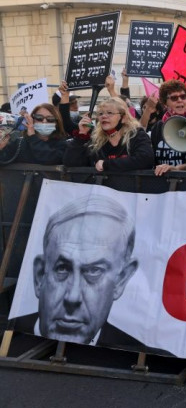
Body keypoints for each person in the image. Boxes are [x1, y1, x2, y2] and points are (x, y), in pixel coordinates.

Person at [9, 196, 154, 351]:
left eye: (93, 271)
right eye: (62, 268)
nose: (73, 297)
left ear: (121, 280)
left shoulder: (134, 353)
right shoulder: (10, 336)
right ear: (39, 276)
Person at [63, 97, 154, 172]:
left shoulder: (137, 135)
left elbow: (145, 159)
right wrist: (81, 135)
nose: (104, 116)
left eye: (110, 113)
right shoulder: (96, 140)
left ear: (123, 118)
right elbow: (71, 163)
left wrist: (106, 165)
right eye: (100, 113)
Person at [2, 103, 68, 165]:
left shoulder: (63, 145)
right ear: (32, 119)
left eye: (50, 119)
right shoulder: (19, 143)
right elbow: (3, 161)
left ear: (56, 123)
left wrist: (32, 137)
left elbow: (49, 159)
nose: (44, 121)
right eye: (39, 118)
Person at [149, 80, 186, 176]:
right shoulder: (158, 127)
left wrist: (176, 169)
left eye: (183, 97)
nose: (180, 100)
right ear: (165, 103)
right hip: (161, 184)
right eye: (174, 98)